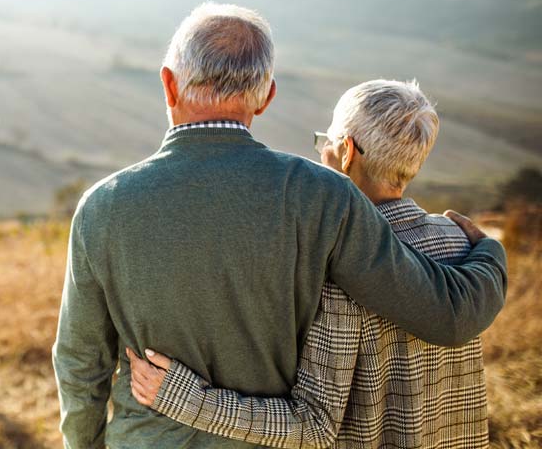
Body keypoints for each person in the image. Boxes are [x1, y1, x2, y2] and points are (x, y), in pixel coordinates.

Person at [52, 3, 507, 449]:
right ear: (267, 96)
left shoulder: (102, 206)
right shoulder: (324, 195)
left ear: (168, 86)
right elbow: (441, 313)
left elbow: (80, 364)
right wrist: (488, 252)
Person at [128, 79, 492, 448]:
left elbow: (314, 425)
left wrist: (186, 399)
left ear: (347, 153)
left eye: (326, 143)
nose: (321, 155)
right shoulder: (460, 241)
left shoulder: (337, 265)